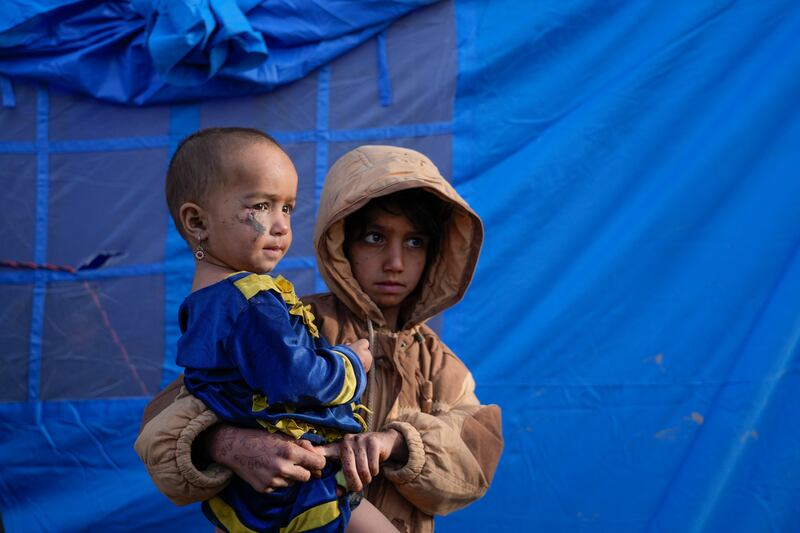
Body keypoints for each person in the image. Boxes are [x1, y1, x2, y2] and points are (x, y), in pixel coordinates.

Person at [136, 144, 504, 533]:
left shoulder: (440, 365)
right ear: (341, 242)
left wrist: (395, 442)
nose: (395, 262)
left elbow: (474, 464)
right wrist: (230, 446)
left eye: (415, 243)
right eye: (375, 238)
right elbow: (160, 429)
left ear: (436, 253)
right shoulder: (286, 324)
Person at [161, 127, 396, 532]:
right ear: (196, 221)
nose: (282, 226)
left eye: (287, 208)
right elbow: (297, 378)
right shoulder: (252, 301)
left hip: (244, 503)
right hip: (300, 487)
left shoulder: (201, 306)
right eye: (261, 206)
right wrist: (351, 363)